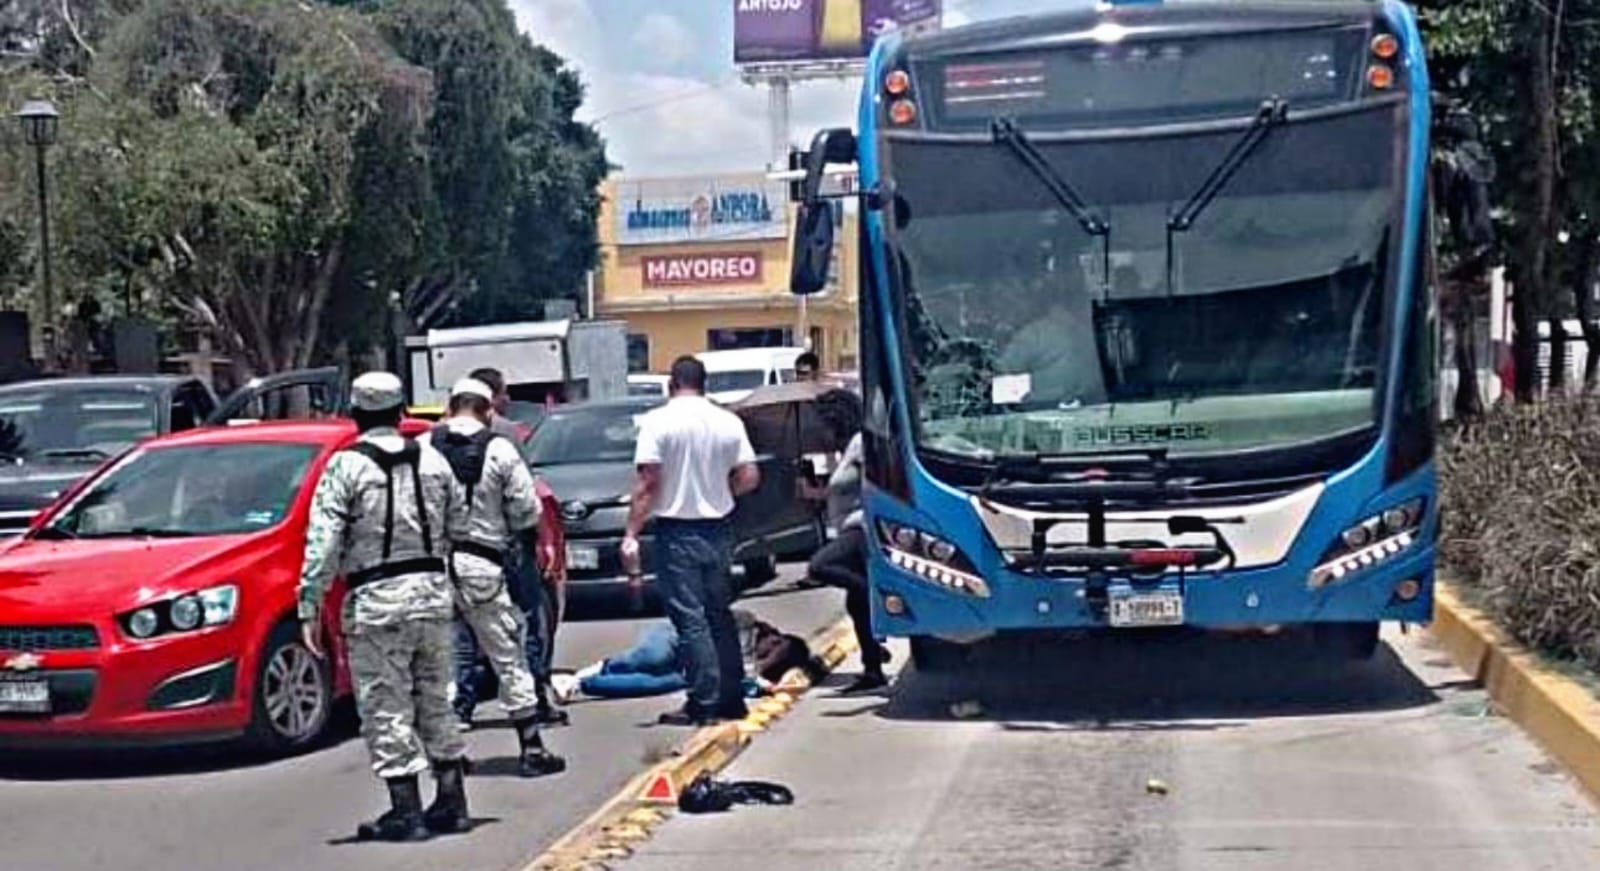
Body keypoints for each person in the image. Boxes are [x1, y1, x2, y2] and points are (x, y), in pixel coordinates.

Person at [297, 371, 469, 842]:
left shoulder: (346, 467)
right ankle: (452, 800)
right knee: (436, 695)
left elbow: (323, 541)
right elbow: (461, 520)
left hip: (377, 601)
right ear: (401, 413)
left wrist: (310, 602)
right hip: (432, 594)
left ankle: (406, 810)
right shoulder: (434, 462)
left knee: (385, 705)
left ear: (356, 415)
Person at [422, 378, 566, 777]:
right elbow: (526, 509)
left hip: (433, 568)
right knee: (508, 655)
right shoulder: (499, 448)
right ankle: (531, 748)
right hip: (483, 564)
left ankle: (447, 757)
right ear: (487, 411)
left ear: (450, 409)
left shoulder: (423, 448)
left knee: (444, 661)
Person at [621, 355, 761, 726]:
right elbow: (749, 476)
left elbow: (648, 482)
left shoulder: (658, 422)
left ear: (672, 384)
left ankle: (704, 700)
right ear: (705, 384)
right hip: (718, 527)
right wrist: (721, 492)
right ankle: (732, 695)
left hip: (677, 530)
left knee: (690, 618)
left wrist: (631, 531)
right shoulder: (727, 421)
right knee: (719, 613)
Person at [457, 366, 567, 725]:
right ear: (489, 404)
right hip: (505, 546)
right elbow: (525, 500)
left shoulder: (430, 443)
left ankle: (461, 705)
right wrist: (538, 539)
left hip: (454, 553)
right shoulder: (503, 437)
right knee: (527, 621)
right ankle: (534, 703)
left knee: (462, 632)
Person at [552, 610, 814, 701]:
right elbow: (744, 666)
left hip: (691, 665)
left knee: (662, 683)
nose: (767, 652)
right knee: (652, 658)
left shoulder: (752, 663)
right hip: (677, 638)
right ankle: (597, 668)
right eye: (775, 647)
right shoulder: (746, 622)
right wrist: (758, 675)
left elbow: (740, 681)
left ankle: (580, 685)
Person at [805, 432, 888, 693]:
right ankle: (873, 667)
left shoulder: (859, 443)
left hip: (861, 526)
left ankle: (879, 598)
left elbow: (873, 482)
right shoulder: (844, 452)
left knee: (820, 566)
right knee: (856, 604)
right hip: (845, 526)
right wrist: (813, 493)